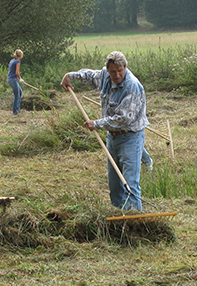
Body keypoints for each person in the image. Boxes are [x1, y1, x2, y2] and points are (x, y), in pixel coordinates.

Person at [61, 51, 149, 210]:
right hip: (112, 138)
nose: (117, 75)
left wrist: (97, 124)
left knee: (130, 183)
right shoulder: (104, 76)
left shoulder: (132, 87)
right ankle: (118, 216)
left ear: (125, 67)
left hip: (130, 137)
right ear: (108, 70)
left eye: (120, 70)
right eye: (113, 71)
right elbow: (89, 75)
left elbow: (123, 119)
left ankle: (135, 219)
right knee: (115, 185)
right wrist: (70, 76)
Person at [7, 49, 23, 115]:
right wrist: (20, 78)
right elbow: (17, 72)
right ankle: (15, 111)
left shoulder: (12, 60)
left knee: (20, 92)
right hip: (13, 79)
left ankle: (17, 109)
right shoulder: (17, 61)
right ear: (20, 55)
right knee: (17, 95)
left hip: (10, 79)